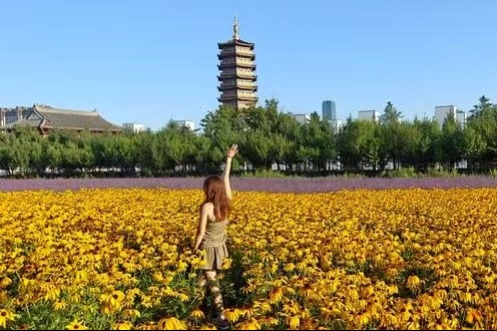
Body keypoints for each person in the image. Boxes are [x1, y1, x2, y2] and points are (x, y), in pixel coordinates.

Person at [193, 144, 238, 330]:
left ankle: (222, 318)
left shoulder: (207, 207)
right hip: (220, 247)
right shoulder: (227, 201)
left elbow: (201, 232)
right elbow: (226, 178)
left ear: (209, 189)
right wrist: (229, 159)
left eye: (205, 187)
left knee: (213, 283)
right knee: (202, 280)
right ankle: (194, 311)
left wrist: (194, 249)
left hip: (207, 249)